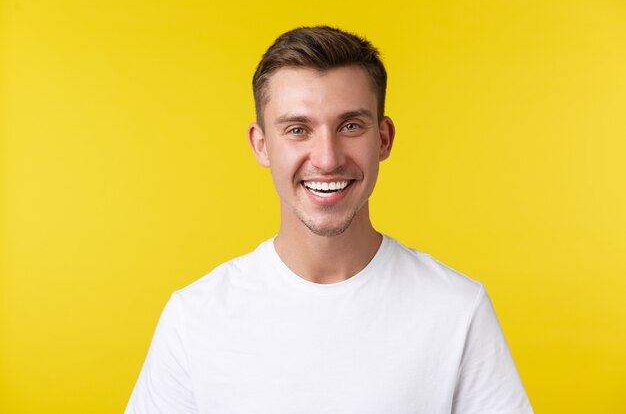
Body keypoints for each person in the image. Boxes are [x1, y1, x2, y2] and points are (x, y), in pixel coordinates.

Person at [125, 26, 533, 414]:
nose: (327, 157)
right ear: (262, 145)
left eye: (350, 126)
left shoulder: (457, 309)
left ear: (384, 138)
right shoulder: (194, 316)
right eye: (298, 129)